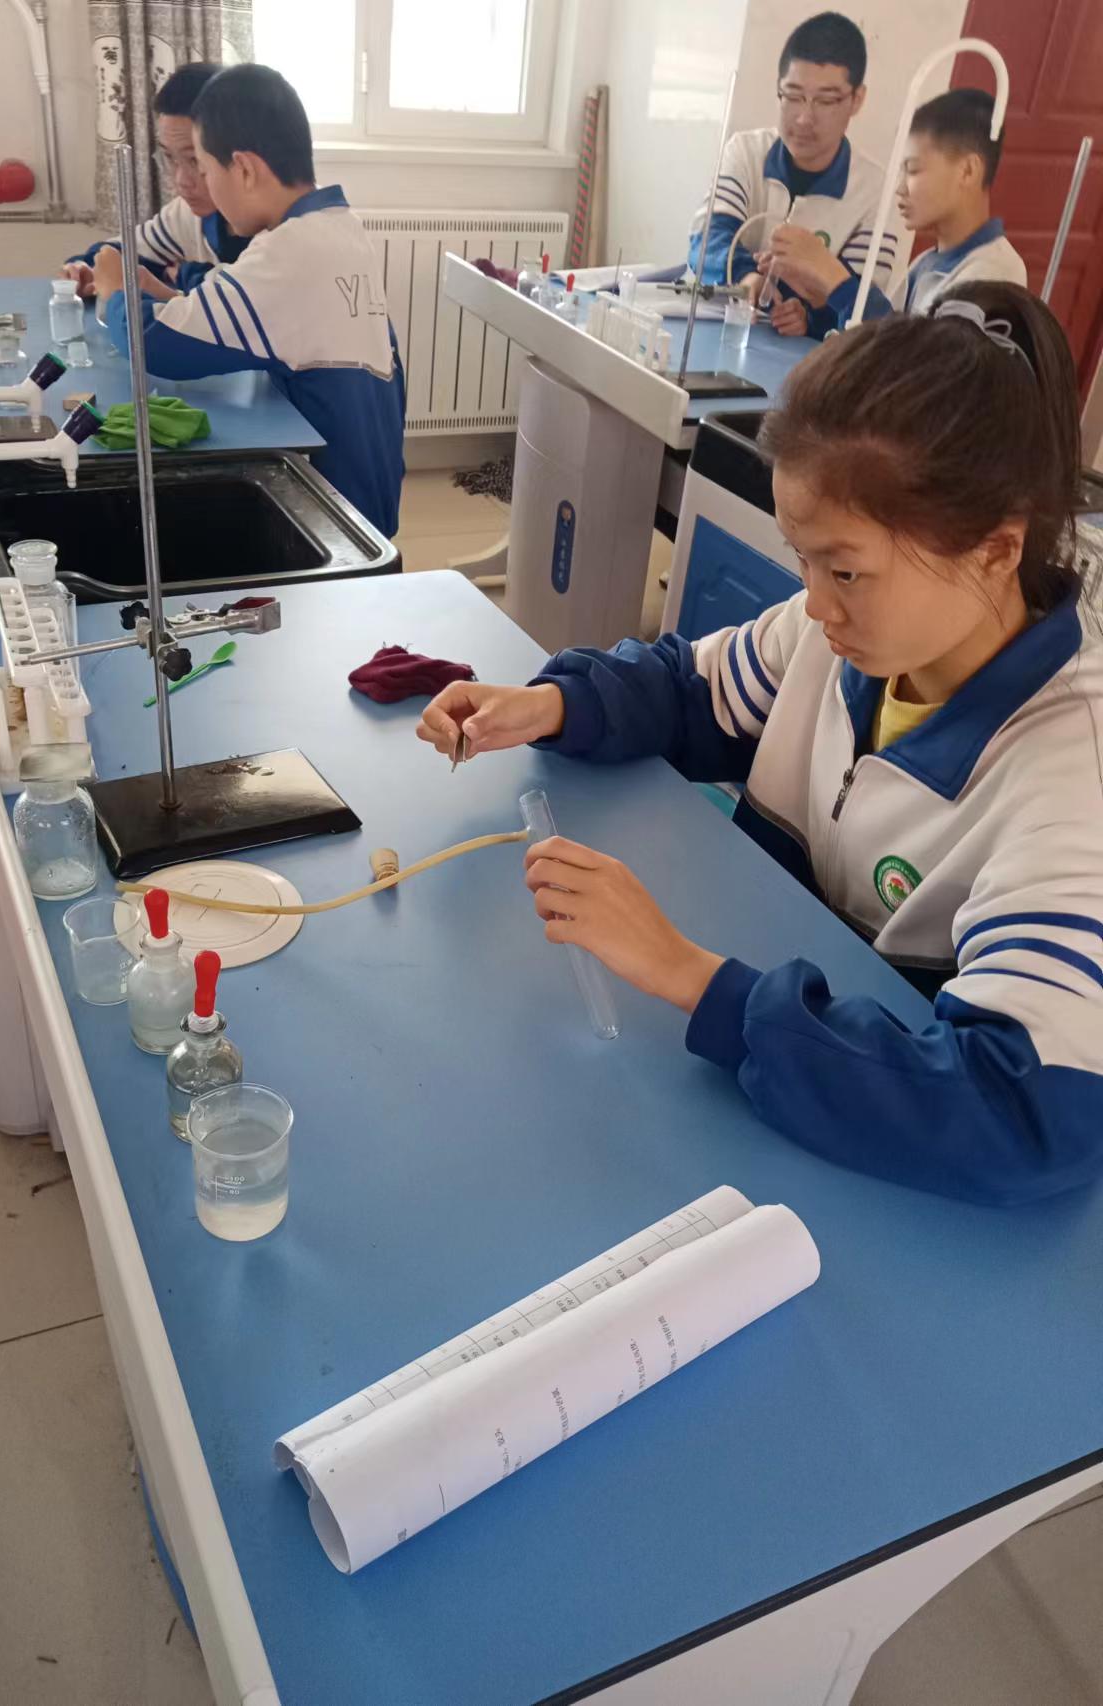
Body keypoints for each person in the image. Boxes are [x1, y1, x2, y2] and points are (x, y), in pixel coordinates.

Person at [417, 281, 1103, 1206]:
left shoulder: (1069, 773)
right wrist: (552, 706)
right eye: (803, 560)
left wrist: (692, 978)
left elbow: (1024, 1112)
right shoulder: (840, 640)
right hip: (775, 1090)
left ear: (994, 550)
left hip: (875, 1169)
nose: (814, 605)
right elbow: (690, 689)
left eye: (846, 570)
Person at [93, 64, 405, 538]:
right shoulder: (338, 226)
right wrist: (167, 293)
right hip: (371, 485)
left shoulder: (287, 251)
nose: (197, 182)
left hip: (327, 502)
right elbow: (272, 320)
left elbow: (154, 345)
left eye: (204, 167)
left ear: (243, 168)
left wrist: (116, 289)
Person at [652, 11, 895, 338]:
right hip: (716, 332)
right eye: (793, 96)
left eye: (826, 101)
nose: (804, 118)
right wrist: (747, 278)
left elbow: (861, 307)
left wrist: (810, 317)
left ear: (857, 100)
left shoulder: (873, 192)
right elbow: (706, 239)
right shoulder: (746, 152)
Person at [763, 87, 1026, 328]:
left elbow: (913, 359)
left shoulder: (994, 273)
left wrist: (835, 278)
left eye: (912, 169)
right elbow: (883, 331)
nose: (900, 188)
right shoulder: (926, 263)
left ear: (967, 171)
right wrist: (818, 305)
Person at [62, 61, 248, 302]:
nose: (181, 181)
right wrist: (84, 270)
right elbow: (122, 252)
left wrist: (187, 277)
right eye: (170, 158)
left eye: (195, 160)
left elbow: (242, 300)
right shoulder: (187, 215)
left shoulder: (277, 232)